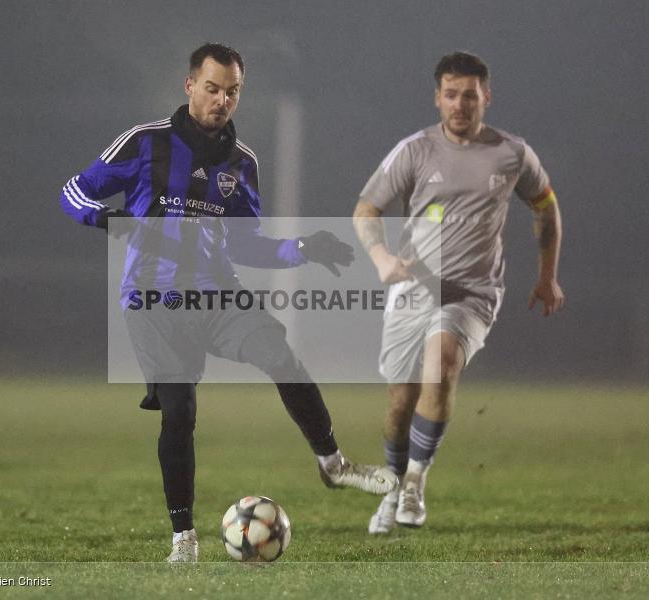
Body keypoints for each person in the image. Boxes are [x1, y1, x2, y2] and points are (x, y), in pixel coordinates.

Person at [60, 43, 398, 562]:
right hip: (154, 301)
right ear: (190, 86)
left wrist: (301, 248)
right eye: (213, 88)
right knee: (180, 411)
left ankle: (333, 464)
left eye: (232, 91)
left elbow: (245, 244)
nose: (222, 100)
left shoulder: (242, 163)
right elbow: (74, 192)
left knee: (281, 357)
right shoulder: (146, 142)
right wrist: (113, 221)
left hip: (219, 294)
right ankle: (184, 539)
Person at [353, 51, 565, 533]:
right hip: (413, 288)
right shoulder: (413, 151)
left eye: (470, 96)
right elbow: (365, 210)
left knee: (443, 362)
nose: (460, 105)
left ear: (486, 97)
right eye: (451, 95)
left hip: (473, 291)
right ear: (437, 98)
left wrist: (547, 275)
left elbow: (546, 209)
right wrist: (384, 259)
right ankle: (393, 485)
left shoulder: (512, 153)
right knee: (400, 402)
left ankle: (414, 484)